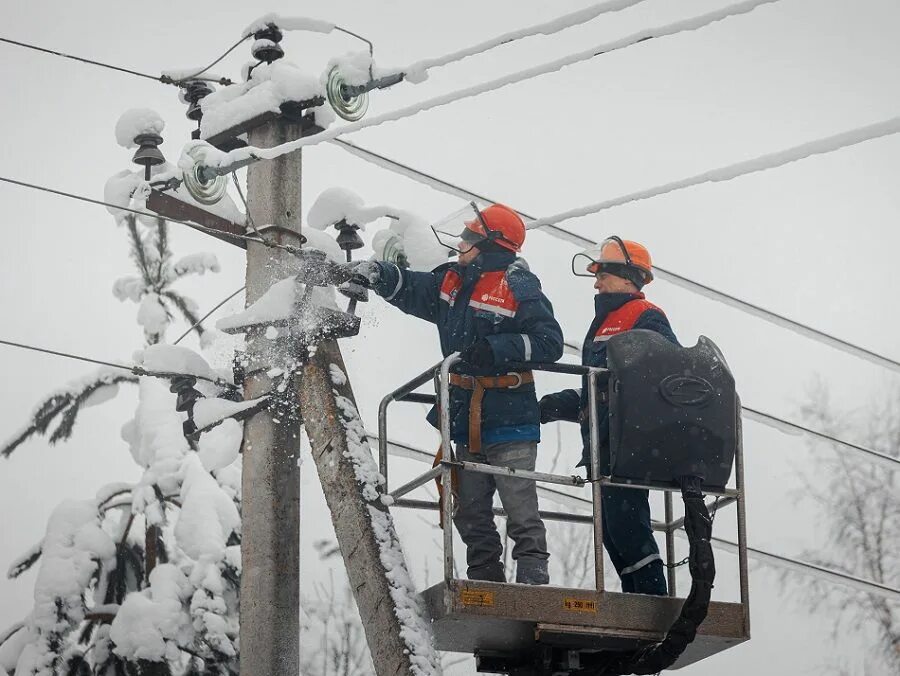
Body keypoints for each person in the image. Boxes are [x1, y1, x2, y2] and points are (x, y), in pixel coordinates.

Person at [343, 203, 564, 585]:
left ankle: (533, 579)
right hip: (466, 417)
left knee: (519, 507)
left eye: (469, 237)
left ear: (490, 244)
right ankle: (485, 577)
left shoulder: (517, 286)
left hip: (510, 416)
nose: (461, 243)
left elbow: (549, 342)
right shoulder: (453, 281)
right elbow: (414, 288)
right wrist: (378, 273)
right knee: (469, 510)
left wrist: (497, 350)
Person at [539, 237, 677, 595]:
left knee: (627, 526)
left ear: (627, 277)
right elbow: (597, 391)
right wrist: (555, 405)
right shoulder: (602, 324)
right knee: (613, 532)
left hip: (628, 445)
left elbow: (667, 373)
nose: (596, 283)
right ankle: (638, 599)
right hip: (604, 446)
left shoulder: (646, 315)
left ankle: (650, 601)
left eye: (602, 274)